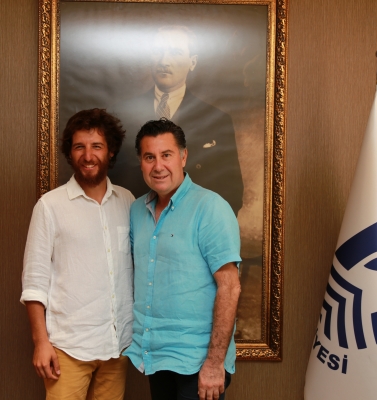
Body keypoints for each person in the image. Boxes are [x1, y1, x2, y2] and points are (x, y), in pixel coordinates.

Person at [20, 109, 134, 400]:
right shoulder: (49, 206)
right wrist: (40, 342)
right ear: (70, 153)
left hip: (118, 347)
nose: (88, 155)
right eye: (79, 147)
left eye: (97, 146)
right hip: (68, 349)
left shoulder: (128, 202)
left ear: (110, 151)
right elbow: (34, 282)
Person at [124, 119, 242, 400]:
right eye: (149, 157)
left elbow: (230, 287)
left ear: (183, 157)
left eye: (166, 155)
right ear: (141, 162)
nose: (158, 166)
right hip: (154, 357)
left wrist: (214, 364)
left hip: (198, 363)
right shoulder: (136, 211)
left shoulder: (211, 208)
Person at [110, 25, 244, 215]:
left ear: (192, 62)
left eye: (175, 53)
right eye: (158, 52)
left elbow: (232, 192)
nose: (164, 61)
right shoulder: (120, 115)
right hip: (136, 224)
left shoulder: (217, 120)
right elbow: (110, 183)